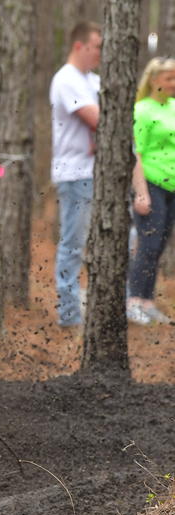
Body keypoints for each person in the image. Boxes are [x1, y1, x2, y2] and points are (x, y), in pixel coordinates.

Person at [49, 21, 102, 327]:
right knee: (72, 244)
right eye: (96, 47)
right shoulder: (66, 79)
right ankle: (69, 315)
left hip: (96, 172)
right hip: (75, 173)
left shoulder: (93, 80)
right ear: (79, 46)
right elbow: (97, 119)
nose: (100, 53)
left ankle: (96, 307)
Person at [128, 58, 175, 325]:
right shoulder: (142, 110)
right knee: (148, 244)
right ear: (154, 79)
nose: (173, 83)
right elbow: (137, 154)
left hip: (172, 187)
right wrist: (141, 192)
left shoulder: (173, 106)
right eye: (169, 78)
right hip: (152, 183)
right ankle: (134, 300)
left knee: (160, 246)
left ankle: (147, 302)